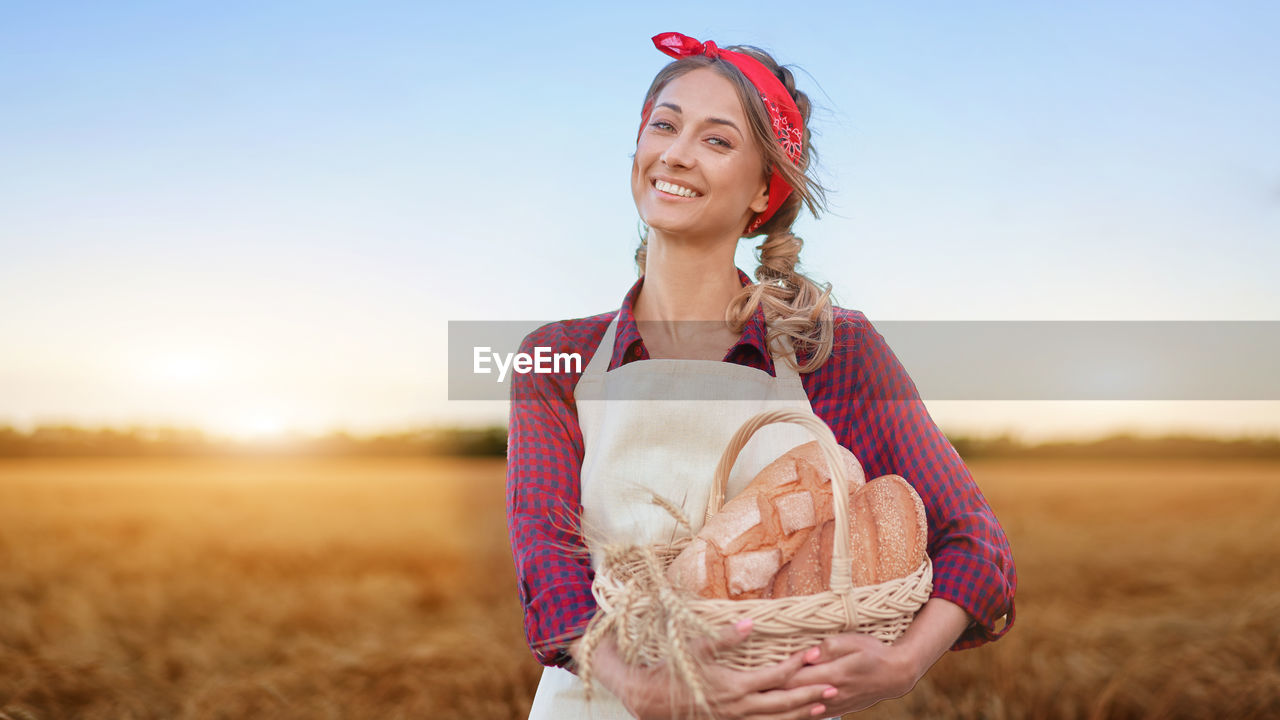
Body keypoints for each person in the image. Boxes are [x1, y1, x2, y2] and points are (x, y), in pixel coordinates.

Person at [506, 31, 1016, 719]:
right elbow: (548, 563)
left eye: (717, 141)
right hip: (598, 705)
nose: (677, 153)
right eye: (664, 125)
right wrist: (643, 689)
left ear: (762, 192)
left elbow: (974, 539)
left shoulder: (830, 349)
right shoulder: (556, 356)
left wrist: (903, 663)